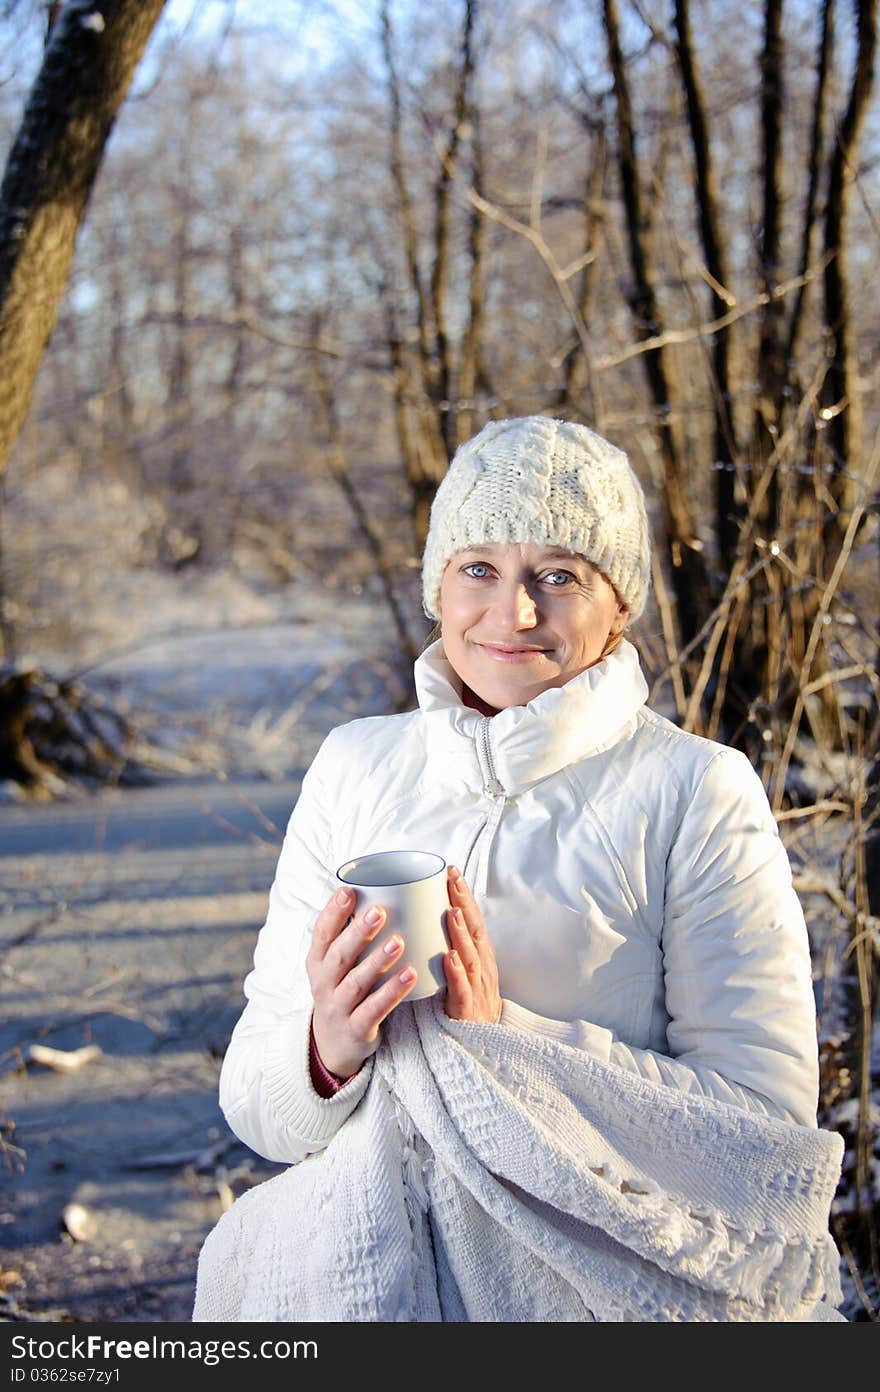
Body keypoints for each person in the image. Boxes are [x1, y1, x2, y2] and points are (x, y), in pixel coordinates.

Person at [193, 415, 845, 1323]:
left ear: (620, 603)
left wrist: (508, 1042)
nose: (514, 613)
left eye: (560, 576)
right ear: (437, 588)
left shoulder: (694, 790)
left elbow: (761, 1138)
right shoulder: (354, 766)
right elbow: (258, 1111)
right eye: (479, 570)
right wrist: (325, 1051)